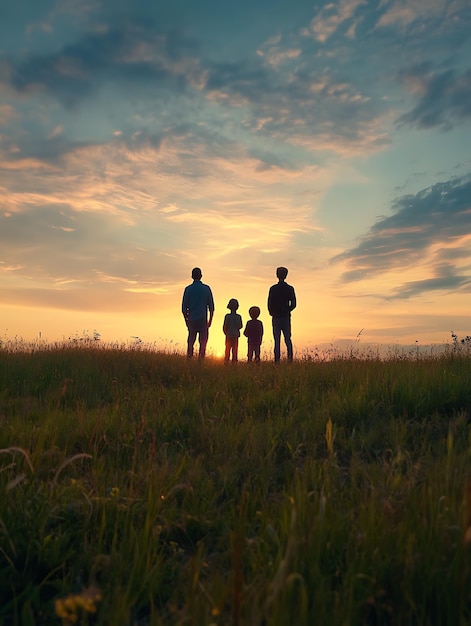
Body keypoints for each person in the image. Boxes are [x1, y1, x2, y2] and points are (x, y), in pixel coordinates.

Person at [182, 267, 215, 358]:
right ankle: (201, 361)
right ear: (201, 276)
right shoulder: (206, 289)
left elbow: (184, 308)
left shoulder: (188, 289)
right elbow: (211, 307)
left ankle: (189, 359)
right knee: (203, 342)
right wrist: (210, 321)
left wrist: (186, 320)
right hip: (203, 319)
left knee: (191, 342)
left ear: (192, 276)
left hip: (192, 319)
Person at [267, 266, 296, 362]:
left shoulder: (273, 289)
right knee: (287, 339)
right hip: (285, 316)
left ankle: (277, 361)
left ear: (277, 275)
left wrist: (272, 312)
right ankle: (290, 360)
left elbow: (269, 302)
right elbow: (294, 303)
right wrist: (287, 310)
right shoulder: (289, 288)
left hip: (277, 317)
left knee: (277, 340)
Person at [223, 298, 243, 363]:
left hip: (228, 335)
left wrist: (225, 332)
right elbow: (240, 326)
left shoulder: (227, 316)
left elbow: (225, 326)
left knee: (227, 350)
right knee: (235, 351)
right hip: (235, 336)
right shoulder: (238, 316)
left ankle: (226, 363)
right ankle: (234, 363)